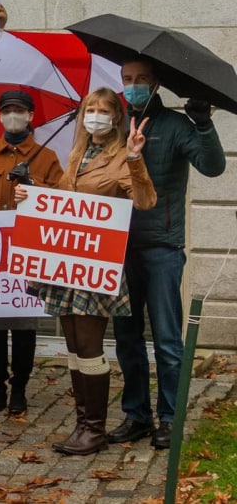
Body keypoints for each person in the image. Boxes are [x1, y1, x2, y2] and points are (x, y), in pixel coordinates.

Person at [20, 87, 154, 456]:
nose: (94, 115)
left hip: (97, 262)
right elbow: (66, 199)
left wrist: (135, 159)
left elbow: (145, 200)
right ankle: (83, 424)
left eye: (102, 110)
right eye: (89, 109)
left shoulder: (122, 157)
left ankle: (94, 429)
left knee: (90, 344)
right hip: (68, 262)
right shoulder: (77, 153)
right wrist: (31, 193)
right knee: (74, 345)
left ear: (116, 118)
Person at [110, 61, 226, 448]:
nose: (134, 86)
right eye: (127, 79)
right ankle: (136, 415)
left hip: (161, 246)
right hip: (117, 246)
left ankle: (170, 419)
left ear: (156, 82)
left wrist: (204, 125)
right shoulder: (113, 124)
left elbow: (212, 167)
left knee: (166, 340)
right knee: (126, 338)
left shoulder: (176, 127)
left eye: (141, 79)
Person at [0, 89, 64, 415]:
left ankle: (19, 388)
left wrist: (32, 186)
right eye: (7, 111)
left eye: (19, 110)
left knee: (23, 326)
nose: (13, 116)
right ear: (0, 116)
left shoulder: (46, 158)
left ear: (31, 116)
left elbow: (62, 197)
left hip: (28, 250)